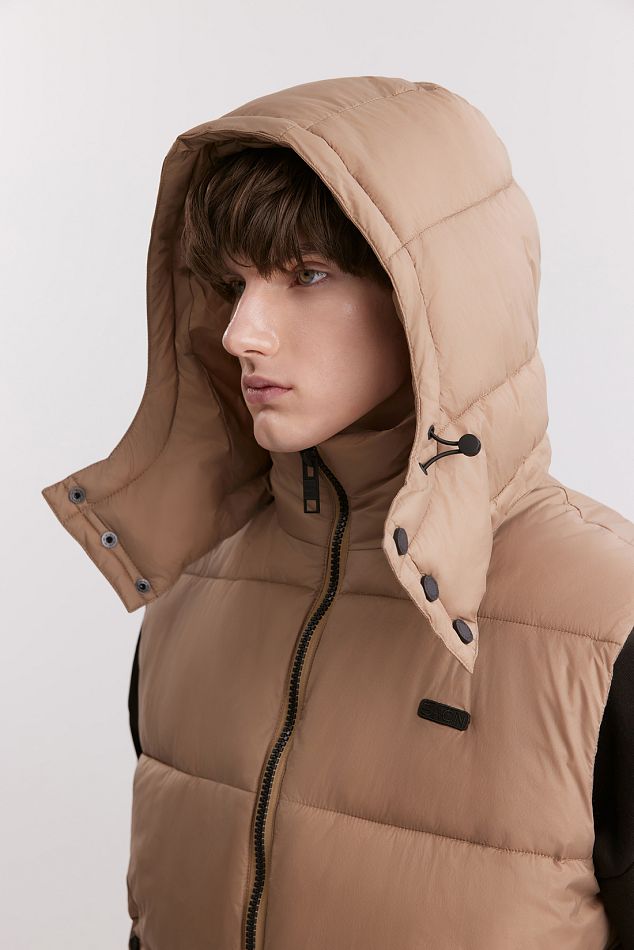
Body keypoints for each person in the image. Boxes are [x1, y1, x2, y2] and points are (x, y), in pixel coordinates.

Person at [42, 76, 633, 949]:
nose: (241, 333)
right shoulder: (189, 590)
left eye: (306, 275)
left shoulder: (607, 622)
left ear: (437, 300)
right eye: (233, 283)